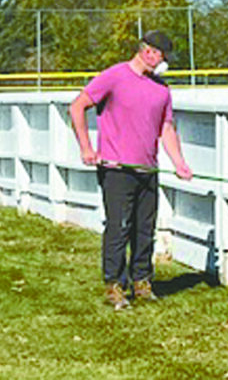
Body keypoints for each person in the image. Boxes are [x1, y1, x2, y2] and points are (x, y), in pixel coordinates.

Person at [69, 30, 193, 310]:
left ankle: (142, 282)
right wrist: (87, 148)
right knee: (119, 227)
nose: (162, 63)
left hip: (147, 169)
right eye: (161, 56)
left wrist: (179, 162)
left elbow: (166, 127)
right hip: (117, 169)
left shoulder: (161, 89)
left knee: (144, 229)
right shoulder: (115, 76)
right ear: (148, 51)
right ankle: (114, 285)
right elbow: (78, 106)